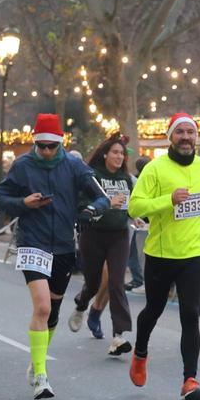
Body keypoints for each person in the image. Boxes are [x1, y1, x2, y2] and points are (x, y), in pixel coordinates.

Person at [0, 113, 110, 399]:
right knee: (42, 307)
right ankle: (41, 375)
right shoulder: (22, 166)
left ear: (61, 143)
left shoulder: (73, 165)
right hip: (32, 242)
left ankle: (37, 361)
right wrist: (23, 202)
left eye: (51, 146)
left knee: (54, 312)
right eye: (41, 145)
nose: (46, 151)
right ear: (35, 142)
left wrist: (92, 211)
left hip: (63, 246)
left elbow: (102, 197)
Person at [127, 113, 200, 400]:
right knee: (153, 310)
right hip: (160, 252)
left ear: (196, 137)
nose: (186, 137)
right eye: (180, 132)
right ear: (170, 137)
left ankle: (189, 380)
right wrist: (167, 200)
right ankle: (140, 351)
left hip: (194, 252)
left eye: (190, 132)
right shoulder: (155, 168)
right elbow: (135, 207)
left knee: (190, 314)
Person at [65, 133, 135, 355]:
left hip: (119, 235)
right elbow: (83, 206)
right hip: (93, 234)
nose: (119, 156)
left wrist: (137, 215)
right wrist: (104, 205)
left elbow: (132, 206)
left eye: (122, 153)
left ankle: (118, 336)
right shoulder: (92, 176)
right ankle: (81, 304)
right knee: (93, 283)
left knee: (116, 282)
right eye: (115, 152)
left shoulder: (126, 179)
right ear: (105, 153)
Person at [125, 155, 151, 292]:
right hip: (140, 222)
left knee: (139, 253)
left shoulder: (136, 179)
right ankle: (139, 280)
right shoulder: (136, 180)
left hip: (143, 222)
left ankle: (140, 280)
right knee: (137, 253)